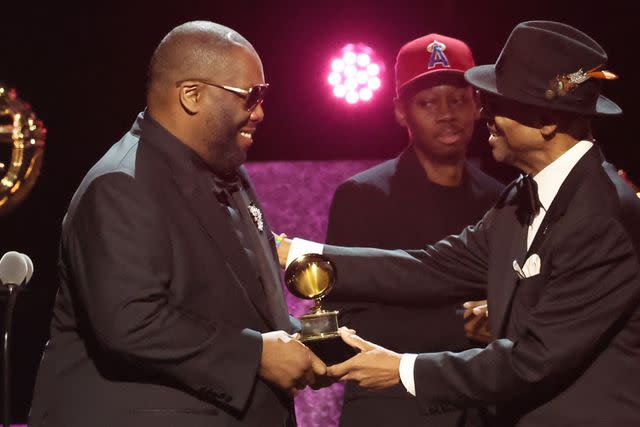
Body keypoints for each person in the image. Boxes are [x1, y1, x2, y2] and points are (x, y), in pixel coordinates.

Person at [281, 21, 640, 425]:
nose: (482, 112)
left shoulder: (602, 214)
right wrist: (295, 251)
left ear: (546, 121)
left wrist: (402, 369)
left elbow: (534, 358)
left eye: (497, 102)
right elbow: (431, 266)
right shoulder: (519, 198)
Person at [28, 21, 326, 427]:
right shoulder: (121, 183)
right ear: (191, 95)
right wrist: (257, 355)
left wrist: (314, 341)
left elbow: (236, 311)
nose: (260, 112)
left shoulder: (231, 176)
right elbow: (131, 322)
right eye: (250, 96)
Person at [323, 33, 503, 426]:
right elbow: (343, 324)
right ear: (400, 112)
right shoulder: (362, 196)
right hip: (393, 411)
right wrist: (460, 325)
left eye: (457, 99)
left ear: (477, 105)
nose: (446, 113)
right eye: (427, 102)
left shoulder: (500, 199)